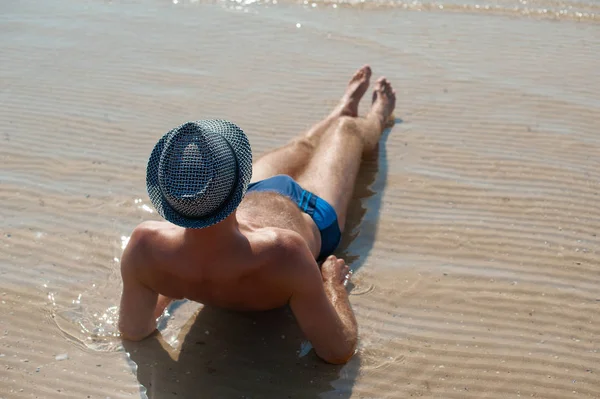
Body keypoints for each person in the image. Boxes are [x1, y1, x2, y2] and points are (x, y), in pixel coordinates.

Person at [118, 65, 396, 365]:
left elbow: (134, 331)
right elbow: (337, 350)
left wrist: (170, 286)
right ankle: (375, 118)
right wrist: (333, 285)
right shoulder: (283, 253)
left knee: (301, 145)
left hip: (252, 196)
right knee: (348, 131)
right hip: (312, 211)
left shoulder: (146, 247)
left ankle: (341, 109)